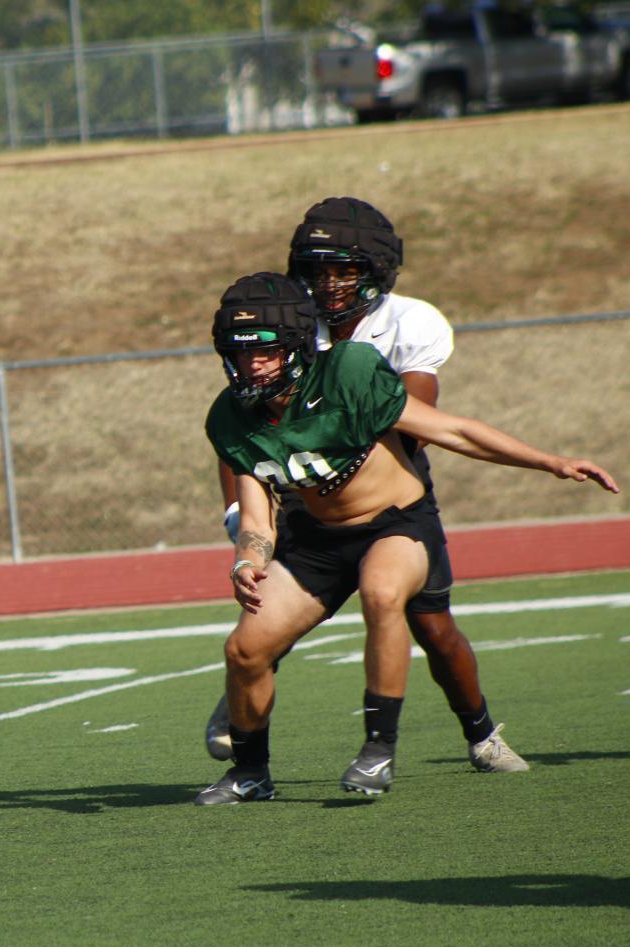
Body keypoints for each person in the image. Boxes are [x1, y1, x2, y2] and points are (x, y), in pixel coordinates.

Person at [196, 272, 615, 805]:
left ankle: (378, 749)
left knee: (383, 593)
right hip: (317, 540)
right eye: (240, 353)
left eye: (267, 352)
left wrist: (549, 462)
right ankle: (251, 773)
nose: (252, 364)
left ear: (298, 347)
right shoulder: (231, 416)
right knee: (244, 649)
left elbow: (452, 430)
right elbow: (256, 517)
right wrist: (246, 562)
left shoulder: (348, 373)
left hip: (395, 522)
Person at [205, 196, 528, 774]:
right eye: (316, 269)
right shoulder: (287, 320)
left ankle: (480, 734)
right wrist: (243, 517)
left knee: (429, 624)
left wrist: (335, 450)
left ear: (374, 269)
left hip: (386, 483)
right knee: (270, 619)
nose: (327, 284)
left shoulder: (410, 322)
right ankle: (247, 694)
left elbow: (418, 424)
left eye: (342, 269)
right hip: (303, 489)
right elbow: (243, 426)